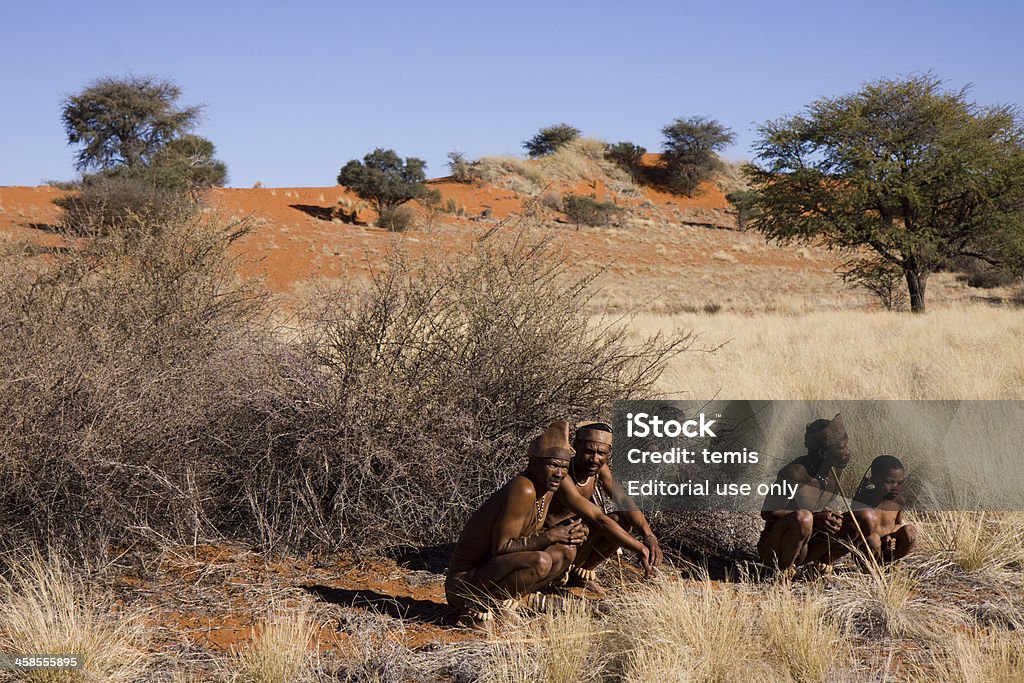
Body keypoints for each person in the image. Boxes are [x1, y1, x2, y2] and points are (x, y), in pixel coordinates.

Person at [445, 421, 589, 624]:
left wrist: (573, 533)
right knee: (541, 561)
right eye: (553, 465)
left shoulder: (547, 489)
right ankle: (478, 606)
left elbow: (529, 537)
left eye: (564, 467)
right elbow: (502, 548)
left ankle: (510, 599)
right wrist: (550, 535)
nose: (559, 473)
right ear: (533, 463)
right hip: (465, 585)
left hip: (494, 574)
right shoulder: (523, 488)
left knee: (567, 551)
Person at [545, 421, 659, 597]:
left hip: (576, 538)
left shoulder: (600, 469)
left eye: (601, 453)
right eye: (589, 451)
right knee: (601, 525)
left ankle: (580, 574)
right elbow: (599, 518)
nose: (595, 459)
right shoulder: (563, 473)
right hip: (550, 543)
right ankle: (551, 579)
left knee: (621, 520)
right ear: (576, 446)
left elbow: (623, 499)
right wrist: (641, 548)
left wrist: (649, 536)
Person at [757, 413, 853, 570]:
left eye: (846, 445)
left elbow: (829, 501)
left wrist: (834, 518)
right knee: (804, 518)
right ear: (823, 453)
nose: (848, 452)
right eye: (841, 448)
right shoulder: (795, 474)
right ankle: (783, 572)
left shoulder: (834, 468)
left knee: (857, 521)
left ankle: (823, 563)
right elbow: (767, 513)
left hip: (808, 546)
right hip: (776, 549)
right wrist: (815, 519)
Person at [845, 455, 917, 563]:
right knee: (873, 539)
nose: (895, 487)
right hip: (868, 549)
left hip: (889, 547)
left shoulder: (898, 501)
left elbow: (897, 523)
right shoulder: (863, 500)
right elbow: (856, 531)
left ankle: (893, 562)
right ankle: (870, 569)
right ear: (874, 480)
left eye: (900, 483)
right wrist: (879, 539)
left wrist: (891, 536)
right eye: (889, 482)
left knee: (909, 531)